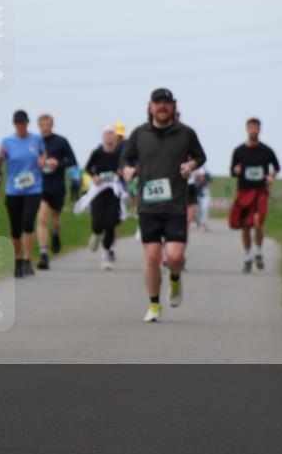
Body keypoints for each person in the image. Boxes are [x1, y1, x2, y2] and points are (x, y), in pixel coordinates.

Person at [120, 89, 206, 322]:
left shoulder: (186, 133)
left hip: (176, 204)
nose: (162, 107)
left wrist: (191, 165)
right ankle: (154, 304)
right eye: (157, 103)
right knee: (151, 255)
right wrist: (127, 169)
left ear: (173, 107)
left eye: (166, 103)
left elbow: (200, 156)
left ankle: (175, 279)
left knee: (175, 257)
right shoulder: (139, 134)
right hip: (148, 205)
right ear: (150, 107)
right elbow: (125, 158)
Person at [0, 110, 46, 278]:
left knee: (28, 223)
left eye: (23, 123)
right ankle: (17, 260)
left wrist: (43, 160)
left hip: (33, 189)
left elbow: (43, 155)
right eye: (18, 123)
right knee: (15, 229)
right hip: (13, 190)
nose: (21, 126)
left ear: (27, 123)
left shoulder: (36, 140)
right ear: (14, 124)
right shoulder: (7, 142)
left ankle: (27, 260)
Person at [229, 118, 280, 272]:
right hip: (244, 191)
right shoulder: (239, 151)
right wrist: (236, 171)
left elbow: (276, 167)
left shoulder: (267, 150)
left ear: (260, 129)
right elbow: (232, 171)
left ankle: (258, 251)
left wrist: (271, 177)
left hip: (260, 192)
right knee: (245, 226)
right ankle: (247, 256)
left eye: (256, 128)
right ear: (247, 129)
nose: (254, 131)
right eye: (251, 128)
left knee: (258, 223)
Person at [35, 114, 77, 269]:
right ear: (39, 126)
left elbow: (73, 160)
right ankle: (43, 254)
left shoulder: (61, 141)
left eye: (48, 124)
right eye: (43, 125)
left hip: (58, 186)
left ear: (52, 125)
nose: (45, 127)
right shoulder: (35, 142)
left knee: (56, 220)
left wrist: (57, 163)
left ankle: (56, 234)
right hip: (41, 186)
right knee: (42, 218)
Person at [84, 127, 123, 270]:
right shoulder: (97, 152)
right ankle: (96, 233)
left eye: (111, 133)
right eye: (106, 133)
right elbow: (87, 168)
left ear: (115, 137)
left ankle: (106, 254)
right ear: (102, 137)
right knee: (98, 222)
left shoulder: (120, 154)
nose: (109, 136)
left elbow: (125, 169)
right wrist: (94, 177)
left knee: (112, 223)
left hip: (113, 192)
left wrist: (122, 172)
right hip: (98, 192)